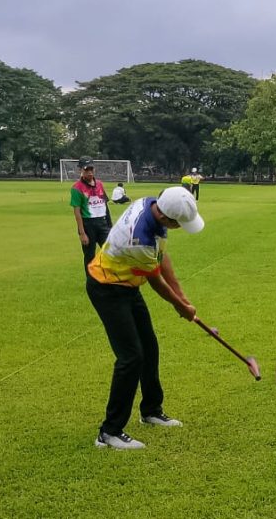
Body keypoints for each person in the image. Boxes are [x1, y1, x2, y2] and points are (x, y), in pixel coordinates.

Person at [87, 186, 205, 450]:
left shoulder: (154, 205)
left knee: (149, 348)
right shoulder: (138, 238)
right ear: (165, 218)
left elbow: (162, 259)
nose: (179, 228)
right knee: (131, 358)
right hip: (107, 289)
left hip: (128, 284)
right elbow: (156, 281)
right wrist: (180, 307)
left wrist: (183, 298)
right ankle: (109, 432)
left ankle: (151, 411)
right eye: (179, 225)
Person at [70, 157, 111, 272]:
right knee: (89, 256)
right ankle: (92, 283)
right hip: (88, 225)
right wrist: (82, 233)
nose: (89, 172)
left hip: (102, 223)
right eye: (86, 170)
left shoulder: (99, 184)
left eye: (91, 169)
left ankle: (108, 278)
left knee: (110, 252)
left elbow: (105, 206)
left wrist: (110, 226)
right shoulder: (76, 188)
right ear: (81, 170)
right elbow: (77, 212)